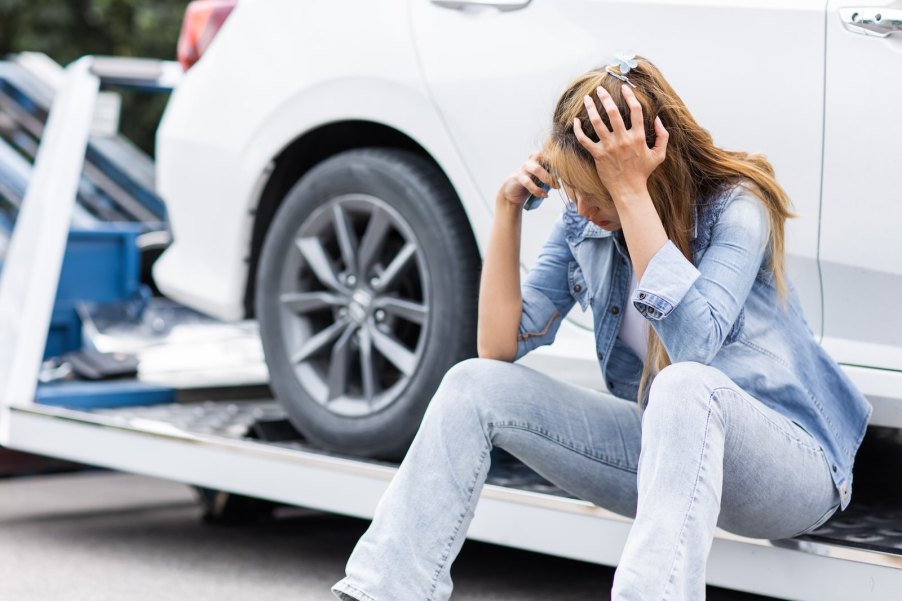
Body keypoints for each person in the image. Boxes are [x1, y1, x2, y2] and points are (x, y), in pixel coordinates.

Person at [331, 54, 872, 601]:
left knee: (682, 385)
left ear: (649, 162)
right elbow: (497, 347)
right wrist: (507, 211)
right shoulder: (585, 222)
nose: (585, 209)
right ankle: (384, 590)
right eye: (576, 190)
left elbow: (692, 347)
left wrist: (631, 194)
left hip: (790, 471)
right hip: (666, 457)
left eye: (602, 191)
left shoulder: (737, 207)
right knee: (472, 384)